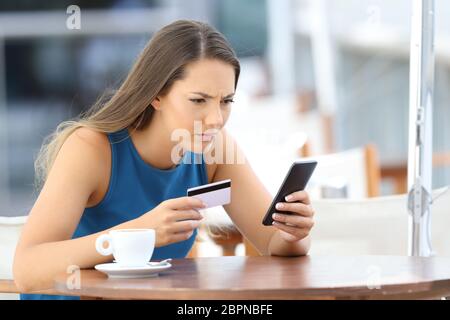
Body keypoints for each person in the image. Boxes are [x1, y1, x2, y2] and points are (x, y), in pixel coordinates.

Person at [13, 20, 315, 300]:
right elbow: (27, 272)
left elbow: (273, 244)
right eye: (198, 100)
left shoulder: (215, 151)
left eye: (226, 101)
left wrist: (292, 234)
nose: (215, 119)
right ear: (156, 94)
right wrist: (133, 234)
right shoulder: (91, 148)